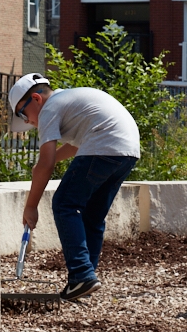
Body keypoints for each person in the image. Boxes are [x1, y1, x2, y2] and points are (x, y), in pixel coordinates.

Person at [8, 73, 141, 301]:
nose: (27, 121)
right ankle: (85, 280)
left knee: (64, 204)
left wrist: (31, 206)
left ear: (37, 99)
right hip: (127, 151)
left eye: (23, 113)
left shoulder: (50, 108)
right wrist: (42, 165)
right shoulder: (70, 100)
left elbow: (46, 164)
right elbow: (74, 146)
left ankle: (81, 275)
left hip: (104, 144)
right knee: (92, 216)